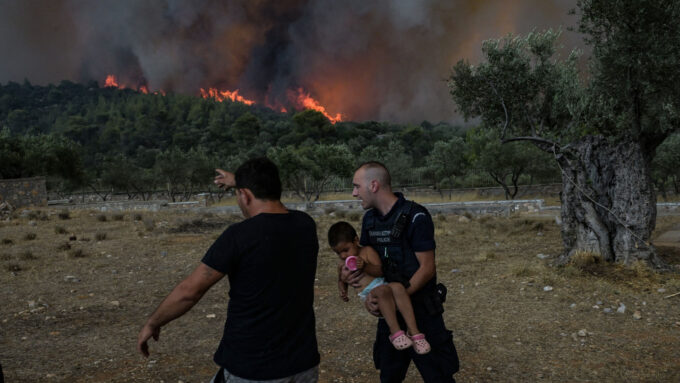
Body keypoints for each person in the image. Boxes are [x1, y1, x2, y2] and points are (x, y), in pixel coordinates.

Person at [137, 157, 320, 382]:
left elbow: (189, 292)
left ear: (245, 195)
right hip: (303, 366)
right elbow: (275, 211)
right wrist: (242, 183)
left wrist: (153, 322)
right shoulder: (305, 225)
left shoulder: (239, 236)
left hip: (253, 369)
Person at [347, 161, 460, 383]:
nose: (353, 193)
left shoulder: (416, 216)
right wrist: (370, 298)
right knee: (389, 376)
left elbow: (427, 268)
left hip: (423, 315)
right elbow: (369, 266)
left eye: (356, 186)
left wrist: (396, 297)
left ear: (374, 185)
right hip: (391, 321)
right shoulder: (369, 221)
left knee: (438, 376)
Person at [328, 221, 431, 354]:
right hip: (370, 295)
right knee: (383, 291)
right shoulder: (342, 264)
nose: (343, 256)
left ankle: (414, 332)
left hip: (383, 286)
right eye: (338, 253)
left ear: (356, 240)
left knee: (398, 287)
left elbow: (380, 271)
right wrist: (343, 289)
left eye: (345, 250)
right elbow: (341, 280)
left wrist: (365, 266)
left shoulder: (367, 252)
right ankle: (396, 333)